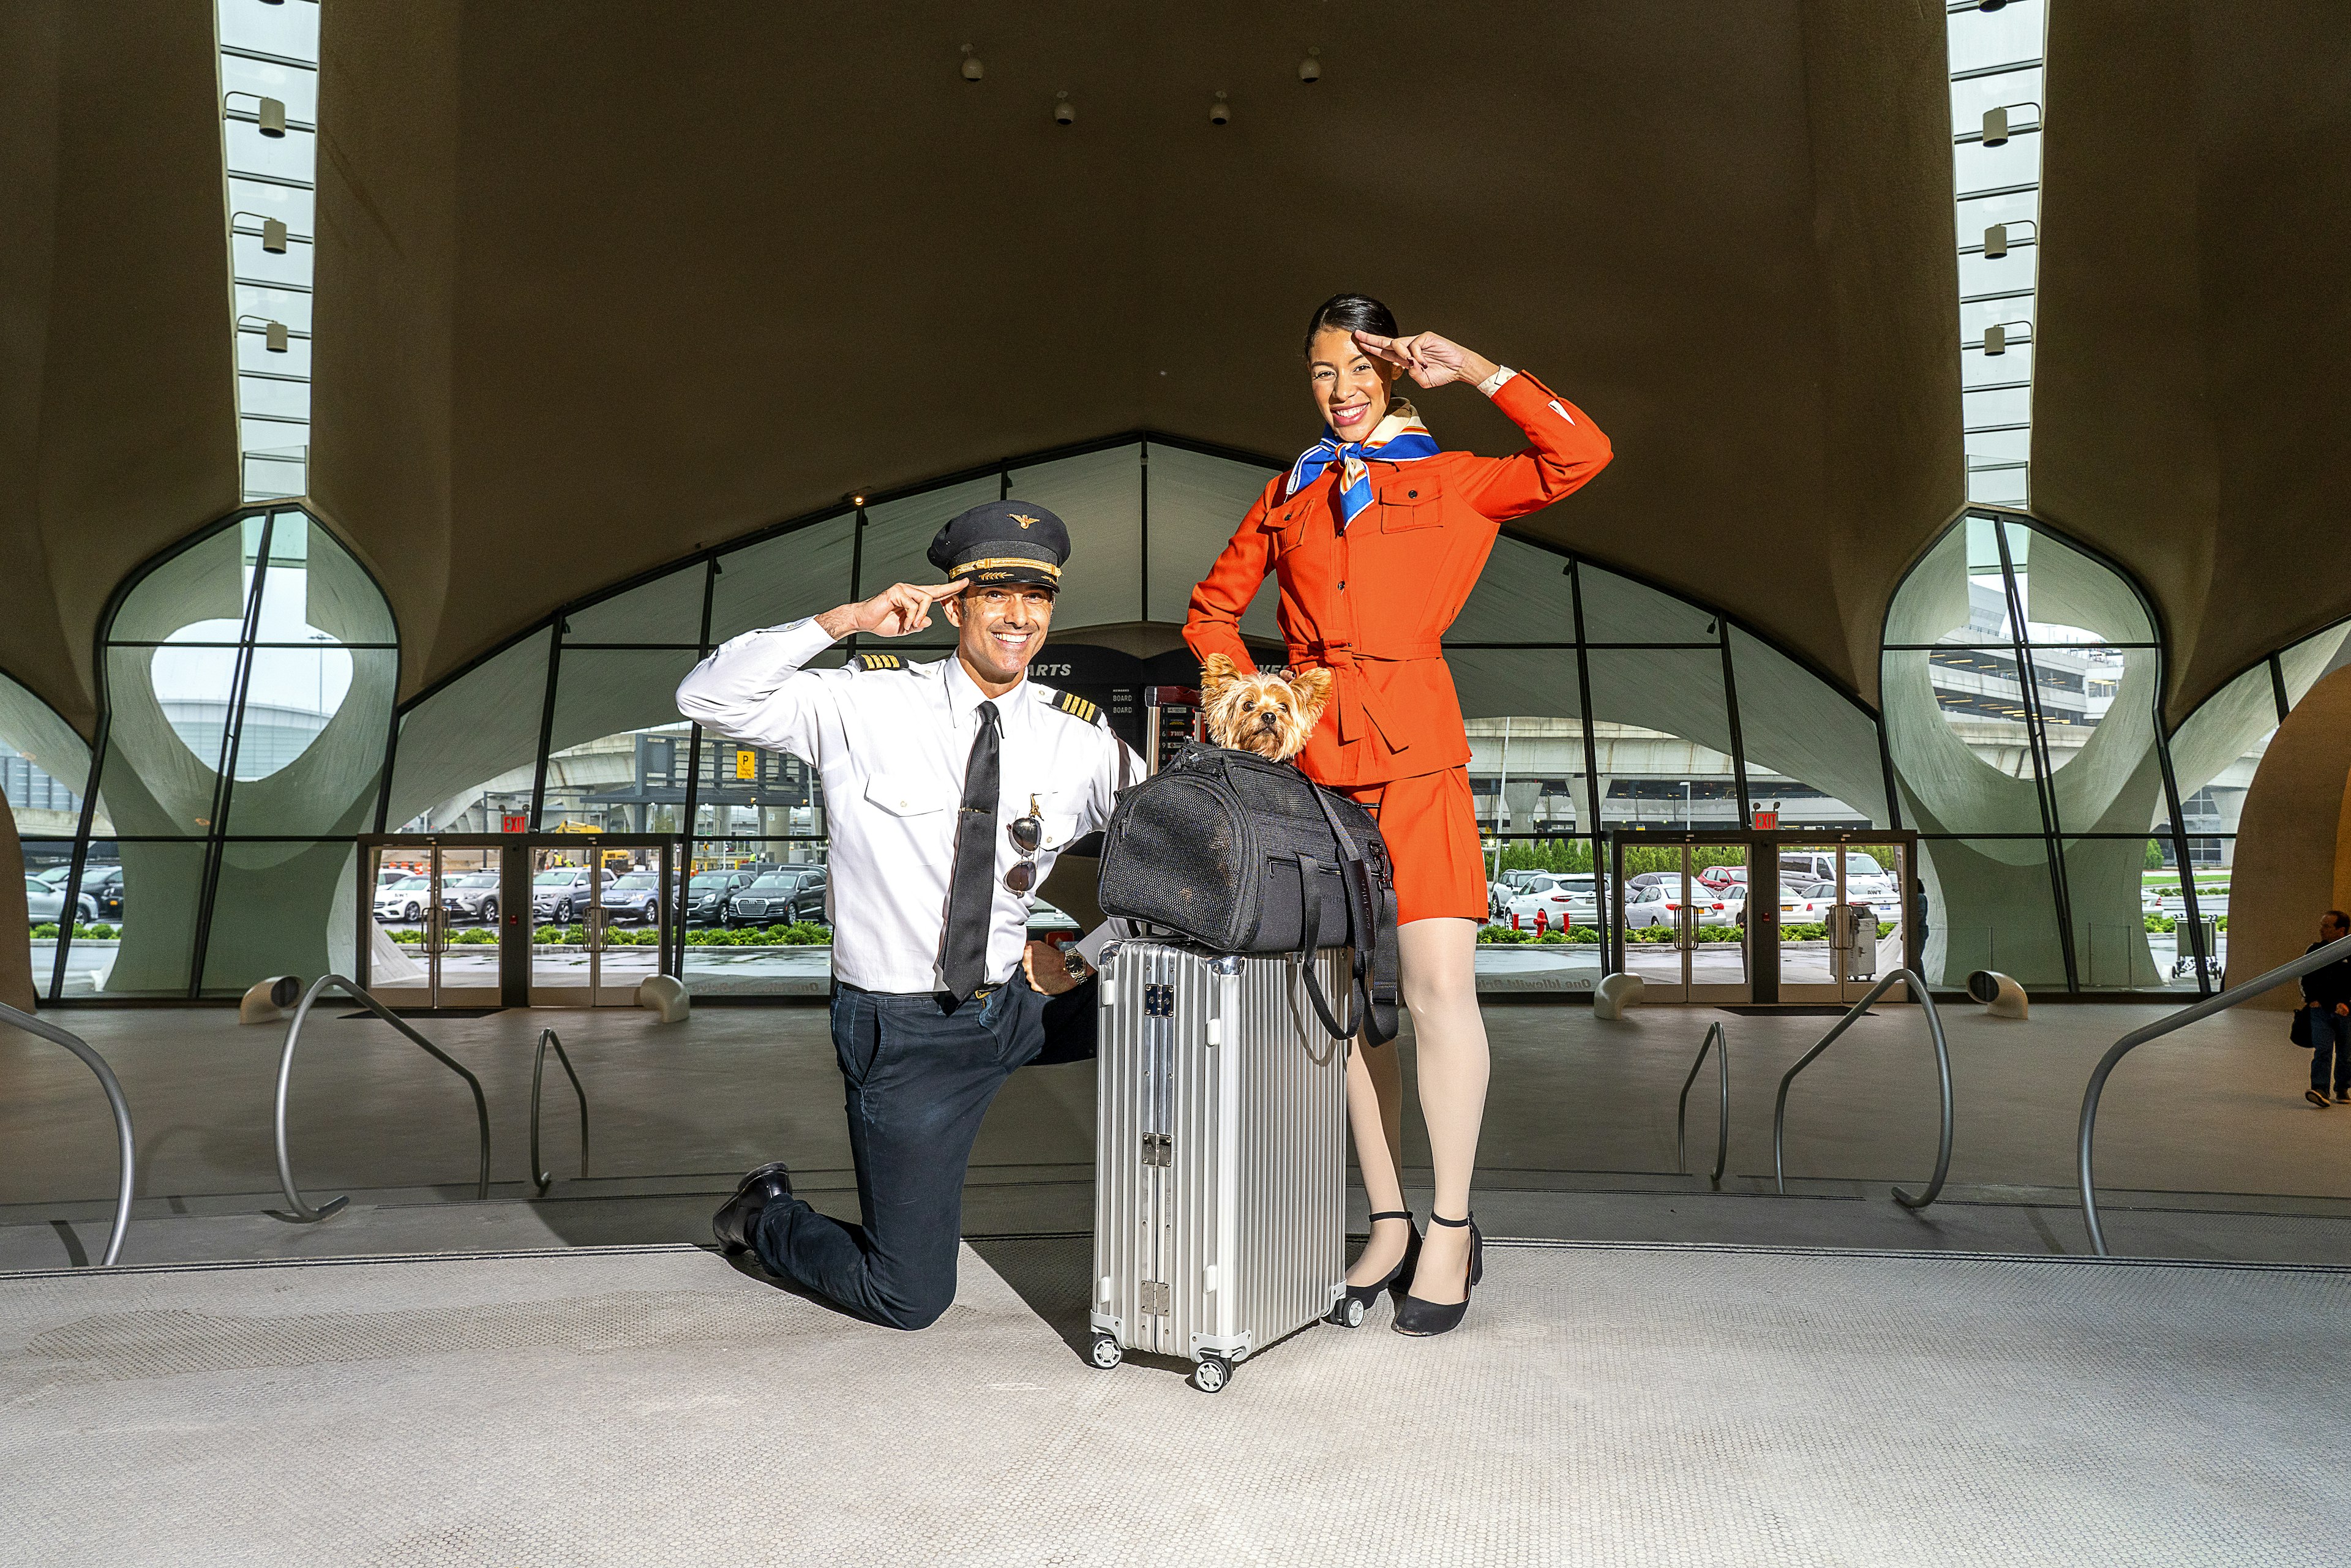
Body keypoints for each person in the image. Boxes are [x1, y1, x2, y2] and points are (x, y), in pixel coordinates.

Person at [1183, 293, 1613, 1335]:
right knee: (1343, 1008)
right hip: (1314, 776)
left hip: (1418, 759)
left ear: (1397, 374)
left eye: (1360, 371)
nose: (1340, 392)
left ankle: (1454, 1228)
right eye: (1323, 374)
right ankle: (1387, 1223)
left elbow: (1581, 455)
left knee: (1433, 993)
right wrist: (1251, 702)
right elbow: (1211, 612)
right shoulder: (1290, 492)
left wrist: (1479, 370)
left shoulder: (1455, 479)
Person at [676, 500, 1138, 1329]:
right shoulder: (862, 705)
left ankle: (1196, 1232)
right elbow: (709, 697)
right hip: (908, 1029)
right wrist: (842, 620)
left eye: (1037, 597)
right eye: (995, 594)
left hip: (1013, 1007)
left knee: (1171, 1000)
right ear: (954, 604)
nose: (1019, 616)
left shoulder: (1080, 736)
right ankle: (764, 1215)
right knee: (910, 1296)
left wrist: (1094, 952)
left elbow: (1180, 849)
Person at [2300, 909, 2351, 1109]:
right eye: (2322, 925)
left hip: (2346, 1012)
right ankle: (2320, 1090)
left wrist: (2347, 1005)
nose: (2322, 930)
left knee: (2346, 1053)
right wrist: (2311, 999)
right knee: (2323, 1050)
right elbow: (2304, 977)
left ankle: (2342, 1088)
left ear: (2341, 931)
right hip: (2320, 1010)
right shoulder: (2314, 950)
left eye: (2327, 926)